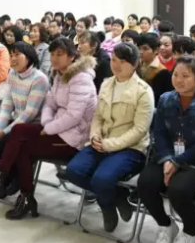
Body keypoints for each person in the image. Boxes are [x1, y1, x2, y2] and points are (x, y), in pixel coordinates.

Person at [0, 40, 97, 219]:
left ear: (72, 56)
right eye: (52, 54)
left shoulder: (80, 79)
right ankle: (18, 192)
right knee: (18, 135)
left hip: (74, 139)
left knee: (20, 139)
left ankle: (4, 181)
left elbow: (74, 116)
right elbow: (50, 104)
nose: (54, 58)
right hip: (56, 130)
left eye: (59, 54)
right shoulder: (59, 75)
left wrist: (49, 128)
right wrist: (47, 122)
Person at [66, 43, 154, 233]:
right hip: (101, 141)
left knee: (102, 178)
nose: (116, 65)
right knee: (73, 171)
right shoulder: (106, 84)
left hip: (131, 148)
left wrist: (109, 145)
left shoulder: (143, 91)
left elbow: (139, 130)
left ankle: (107, 207)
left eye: (122, 61)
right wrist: (95, 136)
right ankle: (117, 195)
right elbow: (98, 116)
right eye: (114, 60)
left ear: (134, 64)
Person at [138, 56, 195, 243]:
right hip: (167, 156)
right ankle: (166, 225)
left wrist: (177, 162)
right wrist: (168, 159)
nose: (179, 80)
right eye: (176, 74)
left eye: (186, 76)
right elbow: (158, 133)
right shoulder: (166, 99)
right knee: (145, 184)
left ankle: (191, 231)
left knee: (178, 190)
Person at [0, 42, 50, 200]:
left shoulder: (40, 79)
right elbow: (7, 105)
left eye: (17, 55)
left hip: (33, 127)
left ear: (29, 57)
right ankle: (10, 176)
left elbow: (30, 113)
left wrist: (5, 131)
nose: (13, 59)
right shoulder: (12, 74)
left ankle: (1, 179)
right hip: (16, 123)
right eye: (11, 55)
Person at [138, 33, 172, 104]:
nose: (141, 52)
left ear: (156, 50)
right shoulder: (136, 66)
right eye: (139, 48)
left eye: (145, 48)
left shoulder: (162, 72)